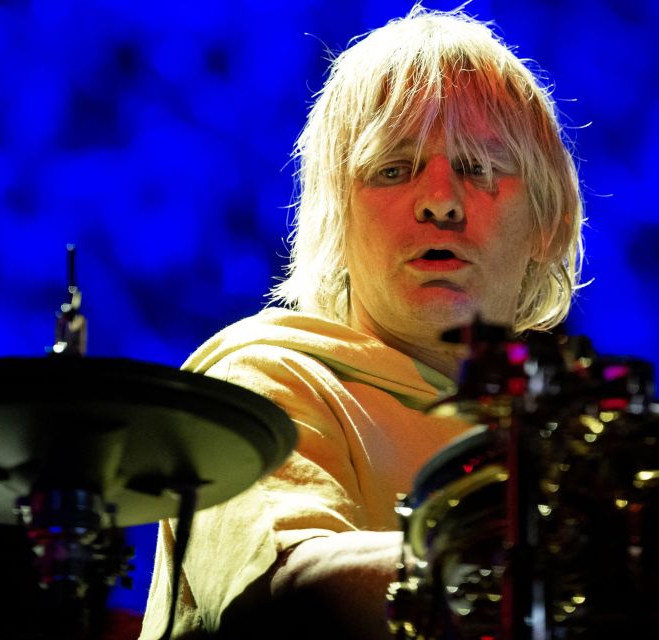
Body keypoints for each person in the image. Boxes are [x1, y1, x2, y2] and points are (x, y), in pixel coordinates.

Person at [140, 5, 584, 639]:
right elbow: (291, 595)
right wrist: (552, 568)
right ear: (335, 223)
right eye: (393, 170)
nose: (439, 200)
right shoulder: (260, 380)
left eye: (478, 168)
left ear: (551, 222)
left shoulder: (571, 434)